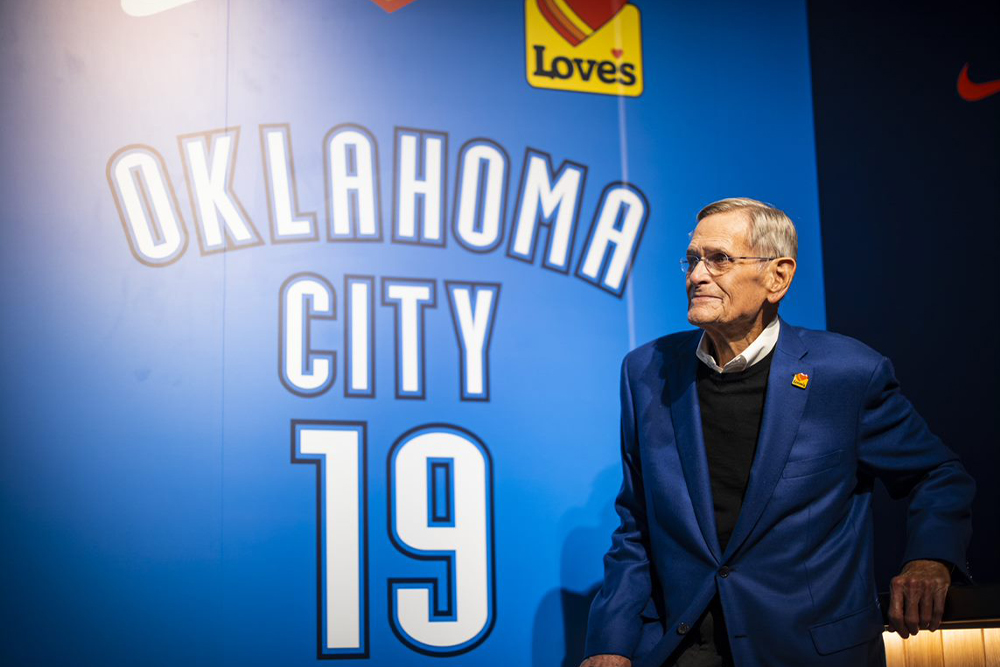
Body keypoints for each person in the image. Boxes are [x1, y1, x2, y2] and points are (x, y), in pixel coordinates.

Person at [580, 198, 975, 667]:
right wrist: (611, 642)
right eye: (692, 259)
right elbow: (637, 525)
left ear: (778, 277)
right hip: (684, 650)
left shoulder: (846, 374)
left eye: (719, 259)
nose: (697, 275)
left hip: (808, 651)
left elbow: (939, 474)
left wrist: (929, 559)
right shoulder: (646, 371)